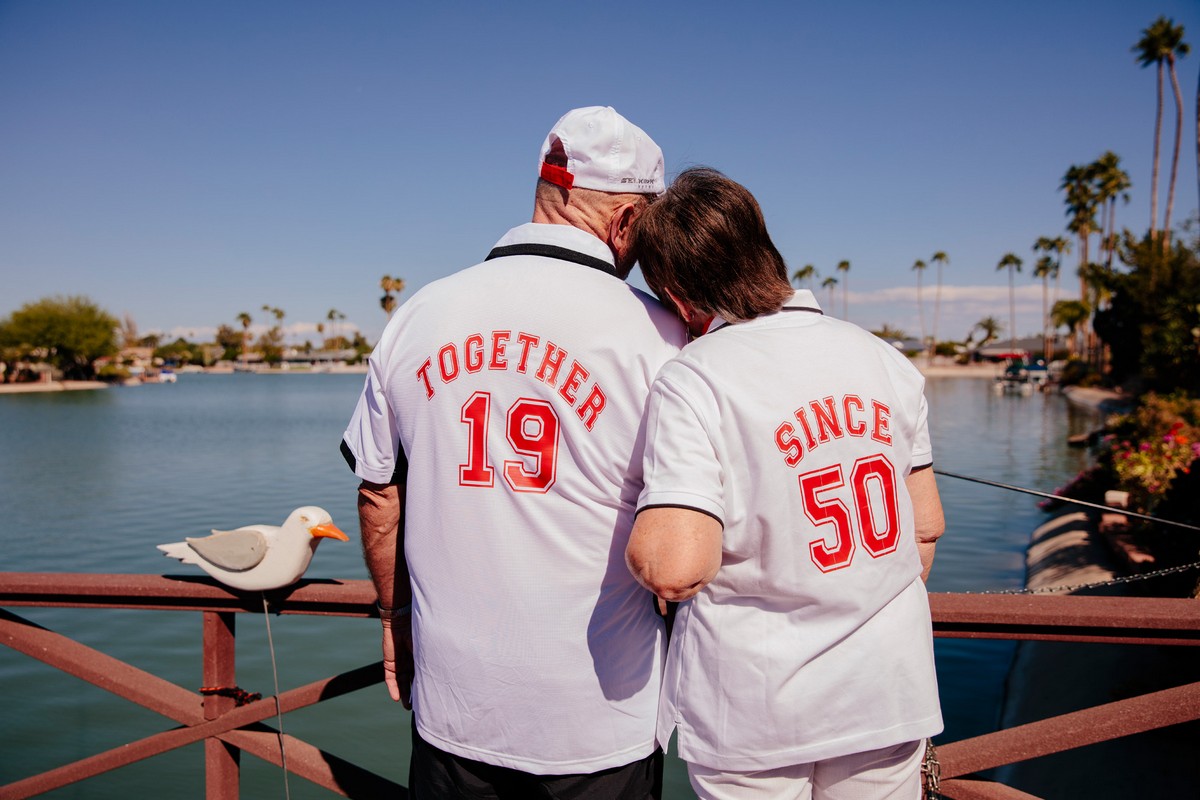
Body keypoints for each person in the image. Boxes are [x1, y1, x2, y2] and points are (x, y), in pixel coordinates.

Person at [340, 106, 687, 799]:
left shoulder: (419, 315)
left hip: (453, 713)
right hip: (602, 724)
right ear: (625, 223)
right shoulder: (664, 337)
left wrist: (394, 619)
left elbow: (380, 495)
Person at [625, 167, 945, 800]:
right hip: (887, 693)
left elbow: (675, 565)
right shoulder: (886, 360)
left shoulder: (696, 377)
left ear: (678, 294)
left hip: (756, 710)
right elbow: (925, 526)